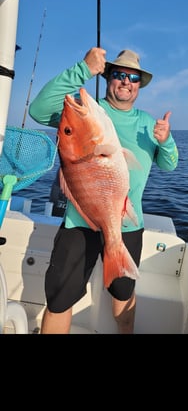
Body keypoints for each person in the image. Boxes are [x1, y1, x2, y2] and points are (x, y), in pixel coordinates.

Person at [29, 47, 179, 334]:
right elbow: (38, 110)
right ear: (109, 77)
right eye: (119, 74)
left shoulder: (148, 124)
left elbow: (169, 165)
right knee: (59, 300)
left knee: (123, 295)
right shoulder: (88, 112)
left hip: (125, 225)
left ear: (139, 86)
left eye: (133, 78)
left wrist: (167, 141)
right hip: (79, 223)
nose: (126, 81)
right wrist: (83, 69)